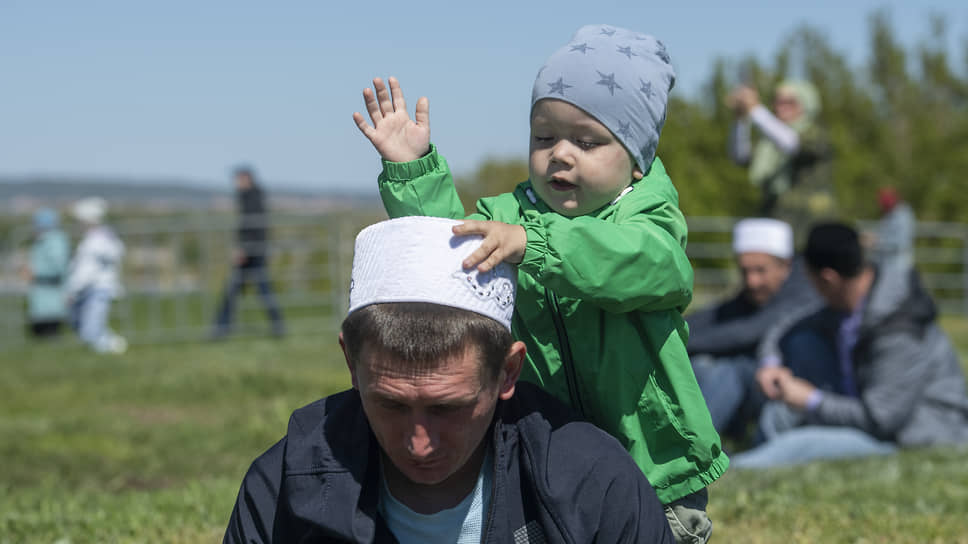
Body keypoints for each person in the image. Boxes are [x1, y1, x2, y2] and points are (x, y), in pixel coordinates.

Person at [353, 24, 727, 542]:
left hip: (653, 462)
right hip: (552, 457)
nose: (560, 154)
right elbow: (454, 246)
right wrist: (414, 172)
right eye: (544, 136)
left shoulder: (649, 220)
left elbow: (651, 266)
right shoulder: (509, 217)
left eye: (588, 141)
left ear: (638, 161)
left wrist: (535, 244)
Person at [223, 216, 675, 543]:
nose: (420, 443)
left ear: (507, 372)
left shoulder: (588, 482)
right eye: (392, 405)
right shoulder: (288, 481)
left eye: (448, 408)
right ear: (350, 363)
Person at [730, 222, 968, 469]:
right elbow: (785, 328)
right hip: (864, 407)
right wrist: (771, 365)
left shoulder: (899, 329)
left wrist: (811, 400)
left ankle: (738, 468)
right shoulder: (853, 303)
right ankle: (754, 450)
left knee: (801, 445)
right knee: (799, 353)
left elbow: (879, 419)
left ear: (828, 279)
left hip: (913, 435)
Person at [687, 218, 821, 434]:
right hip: (762, 386)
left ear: (785, 265)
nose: (752, 281)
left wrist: (678, 339)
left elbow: (749, 332)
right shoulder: (759, 292)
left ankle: (695, 446)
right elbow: (719, 314)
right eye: (745, 271)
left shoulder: (805, 290)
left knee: (730, 370)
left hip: (793, 386)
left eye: (760, 271)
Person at [726, 79, 836, 242]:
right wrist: (740, 118)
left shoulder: (815, 133)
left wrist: (755, 110)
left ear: (806, 104)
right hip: (776, 225)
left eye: (790, 102)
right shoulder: (770, 140)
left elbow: (793, 144)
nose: (780, 107)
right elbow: (740, 155)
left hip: (808, 230)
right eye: (777, 101)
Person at [210, 166, 285, 339]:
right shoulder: (253, 195)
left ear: (247, 179)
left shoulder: (251, 197)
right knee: (246, 291)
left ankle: (222, 329)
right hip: (254, 251)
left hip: (252, 253)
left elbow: (252, 226)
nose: (236, 183)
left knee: (256, 291)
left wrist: (243, 248)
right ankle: (222, 328)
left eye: (238, 179)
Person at [65, 197, 127, 354]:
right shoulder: (107, 237)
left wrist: (72, 290)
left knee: (90, 329)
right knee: (91, 325)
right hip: (101, 286)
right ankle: (109, 347)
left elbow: (85, 270)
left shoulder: (93, 242)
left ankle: (114, 347)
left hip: (94, 287)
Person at [23, 208, 71, 338]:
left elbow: (58, 267)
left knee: (50, 329)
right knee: (40, 328)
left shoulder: (55, 241)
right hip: (42, 291)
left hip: (51, 289)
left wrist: (35, 272)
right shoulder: (42, 240)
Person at [867, 186, 916, 269]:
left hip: (898, 264)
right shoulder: (890, 214)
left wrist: (876, 242)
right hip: (887, 263)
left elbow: (900, 243)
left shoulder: (902, 216)